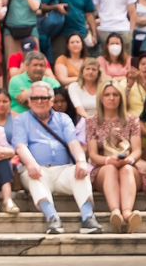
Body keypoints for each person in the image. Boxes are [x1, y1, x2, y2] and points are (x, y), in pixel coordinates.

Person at [8, 82, 100, 235]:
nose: (39, 101)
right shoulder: (21, 120)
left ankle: (88, 218)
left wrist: (81, 162)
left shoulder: (63, 118)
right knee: (35, 178)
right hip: (38, 169)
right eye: (35, 98)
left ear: (51, 100)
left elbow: (73, 143)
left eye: (43, 98)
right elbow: (20, 146)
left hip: (63, 169)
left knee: (80, 173)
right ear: (29, 101)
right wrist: (31, 164)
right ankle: (52, 218)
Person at [86, 82, 146, 232]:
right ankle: (115, 212)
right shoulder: (92, 121)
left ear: (121, 98)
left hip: (128, 165)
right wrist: (109, 160)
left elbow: (137, 150)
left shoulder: (132, 120)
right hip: (104, 167)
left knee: (125, 168)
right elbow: (93, 155)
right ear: (101, 98)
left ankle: (127, 213)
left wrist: (129, 160)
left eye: (115, 95)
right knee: (111, 168)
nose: (111, 98)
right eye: (107, 95)